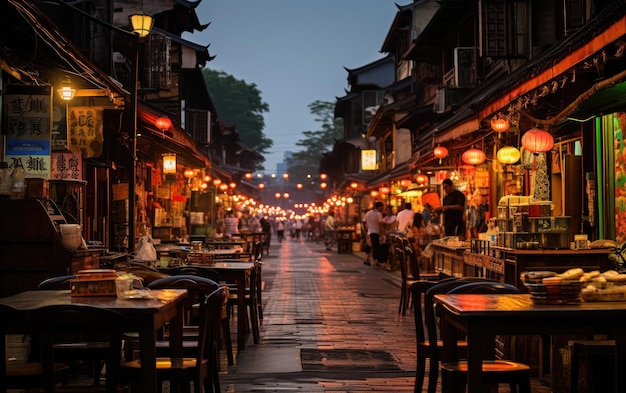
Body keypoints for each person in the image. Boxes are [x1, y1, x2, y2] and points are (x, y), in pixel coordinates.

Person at [362, 201, 386, 267]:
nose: (383, 208)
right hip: (376, 232)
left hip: (369, 232)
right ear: (379, 207)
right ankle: (376, 261)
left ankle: (367, 259)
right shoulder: (379, 214)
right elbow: (381, 224)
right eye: (382, 207)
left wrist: (366, 230)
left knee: (369, 246)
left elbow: (363, 222)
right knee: (376, 247)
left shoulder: (368, 213)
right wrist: (382, 234)